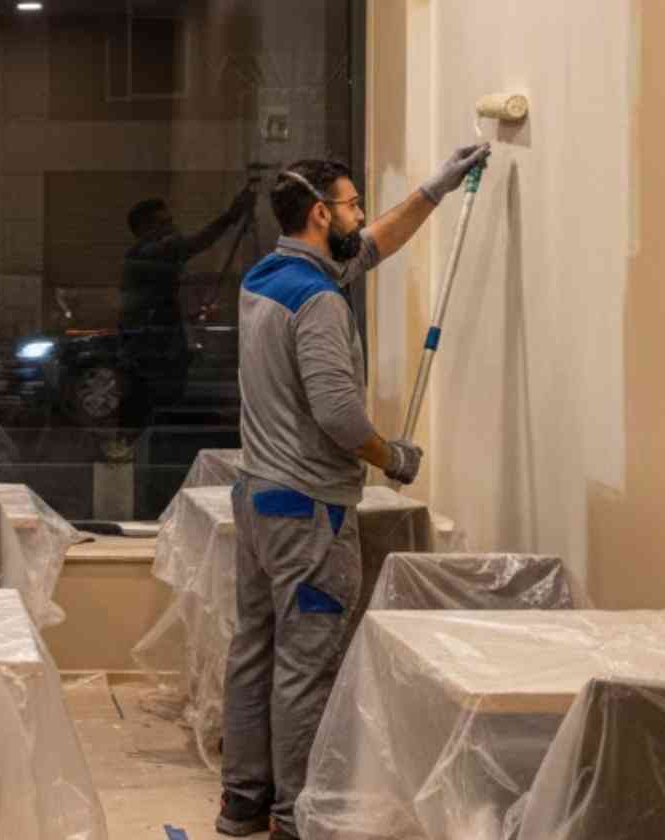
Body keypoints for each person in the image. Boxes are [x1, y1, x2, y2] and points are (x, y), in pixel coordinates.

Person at [218, 145, 490, 838]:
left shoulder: (265, 278)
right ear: (320, 213)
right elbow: (339, 417)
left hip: (256, 498)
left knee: (255, 649)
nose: (361, 215)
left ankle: (242, 803)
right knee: (306, 664)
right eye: (350, 204)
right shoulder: (317, 302)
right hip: (307, 508)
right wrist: (390, 456)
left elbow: (373, 245)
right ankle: (296, 816)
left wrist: (436, 188)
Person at [118, 189, 256, 427]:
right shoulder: (145, 256)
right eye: (164, 223)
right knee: (154, 413)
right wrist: (231, 216)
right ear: (144, 230)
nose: (171, 228)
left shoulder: (150, 258)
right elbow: (195, 243)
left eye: (170, 222)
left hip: (158, 348)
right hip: (151, 353)